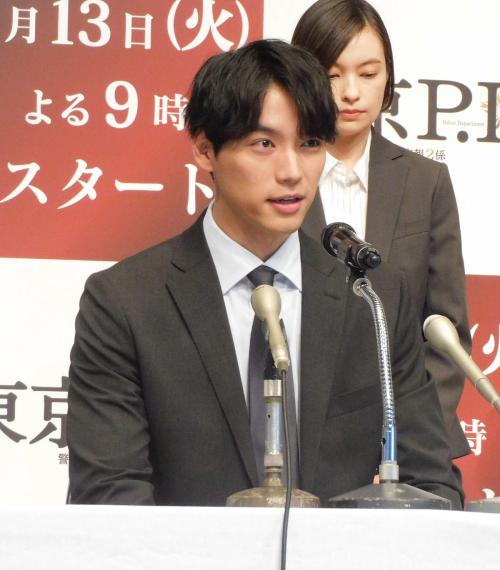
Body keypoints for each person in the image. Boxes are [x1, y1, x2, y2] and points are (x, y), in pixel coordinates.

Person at [67, 39, 463, 508]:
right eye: (264, 144)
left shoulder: (372, 299)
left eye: (310, 144)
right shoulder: (125, 302)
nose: (293, 171)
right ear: (205, 150)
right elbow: (110, 495)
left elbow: (431, 485)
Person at [292, 0, 471, 460]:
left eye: (368, 73)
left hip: (411, 449)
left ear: (389, 78)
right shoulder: (275, 180)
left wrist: (405, 446)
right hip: (299, 446)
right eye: (332, 75)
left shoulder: (425, 181)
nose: (351, 92)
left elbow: (445, 331)